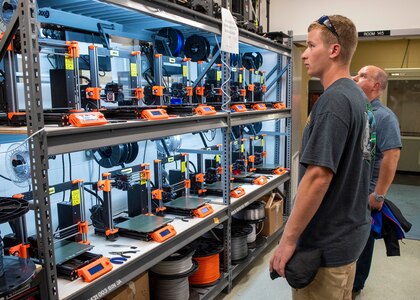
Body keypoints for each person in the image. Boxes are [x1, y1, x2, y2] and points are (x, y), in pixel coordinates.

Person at [269, 15, 373, 300]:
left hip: (326, 245)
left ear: (334, 50)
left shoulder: (334, 101)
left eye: (311, 46)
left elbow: (318, 177)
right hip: (347, 237)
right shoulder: (357, 97)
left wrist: (287, 240)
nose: (303, 54)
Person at [352, 65, 402, 296]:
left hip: (367, 194)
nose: (355, 77)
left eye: (362, 75)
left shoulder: (384, 117)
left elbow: (391, 156)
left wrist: (378, 194)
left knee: (363, 241)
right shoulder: (358, 112)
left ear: (375, 85)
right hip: (351, 191)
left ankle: (355, 285)